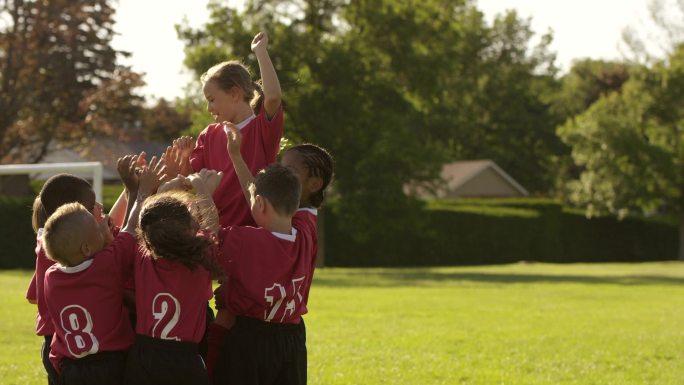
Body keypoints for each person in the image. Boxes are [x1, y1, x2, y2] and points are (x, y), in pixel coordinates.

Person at [209, 124, 333, 385]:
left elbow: (259, 199)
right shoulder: (297, 222)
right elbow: (258, 195)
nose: (281, 173)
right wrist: (236, 156)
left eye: (289, 170)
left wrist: (203, 196)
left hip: (258, 333)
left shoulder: (302, 227)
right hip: (288, 334)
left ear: (314, 184)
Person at [41, 160, 163, 385]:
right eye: (96, 230)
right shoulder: (105, 265)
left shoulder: (51, 277)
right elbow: (130, 229)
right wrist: (142, 191)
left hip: (72, 367)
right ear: (86, 248)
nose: (104, 227)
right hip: (110, 364)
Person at [25, 170, 133, 385]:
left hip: (64, 347)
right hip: (71, 348)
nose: (100, 208)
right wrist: (136, 193)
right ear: (71, 214)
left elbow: (32, 296)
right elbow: (124, 233)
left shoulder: (52, 244)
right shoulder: (81, 256)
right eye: (92, 206)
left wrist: (129, 191)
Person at [122, 169, 224, 385]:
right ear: (191, 227)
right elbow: (211, 222)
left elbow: (141, 222)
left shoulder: (142, 257)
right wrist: (203, 188)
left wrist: (162, 191)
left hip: (143, 356)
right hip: (184, 358)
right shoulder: (199, 260)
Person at [187, 31, 283, 228]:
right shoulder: (208, 135)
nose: (208, 108)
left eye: (211, 100)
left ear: (234, 94)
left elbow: (272, 97)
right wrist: (178, 166)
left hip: (252, 234)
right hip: (216, 233)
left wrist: (260, 52)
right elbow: (194, 181)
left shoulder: (261, 129)